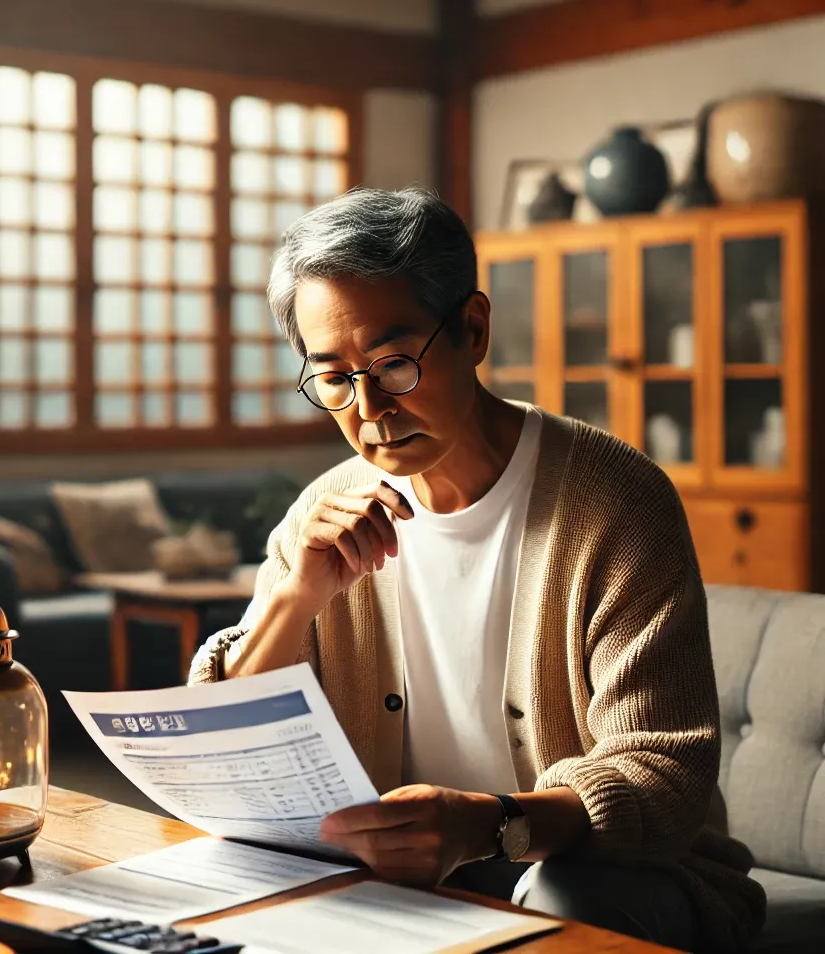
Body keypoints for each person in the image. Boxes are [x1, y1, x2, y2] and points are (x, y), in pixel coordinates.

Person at [189, 187, 764, 953]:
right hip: (390, 882)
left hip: (613, 870)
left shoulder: (615, 502)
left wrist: (493, 823)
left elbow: (665, 777)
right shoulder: (326, 509)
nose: (369, 410)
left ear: (473, 328)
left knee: (563, 891)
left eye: (394, 364)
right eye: (332, 376)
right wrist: (298, 596)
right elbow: (231, 757)